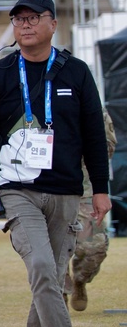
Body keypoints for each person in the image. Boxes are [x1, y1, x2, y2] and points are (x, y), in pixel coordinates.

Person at [0, 0, 110, 327]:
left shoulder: (76, 72)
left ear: (52, 23)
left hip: (65, 189)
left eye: (33, 18)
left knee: (53, 273)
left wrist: (100, 188)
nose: (24, 25)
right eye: (18, 20)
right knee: (44, 267)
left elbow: (94, 136)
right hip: (16, 189)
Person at [66, 106, 116, 311]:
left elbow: (108, 147)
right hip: (45, 186)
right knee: (49, 247)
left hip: (84, 187)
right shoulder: (36, 100)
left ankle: (79, 280)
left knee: (94, 247)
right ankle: (59, 293)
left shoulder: (92, 106)